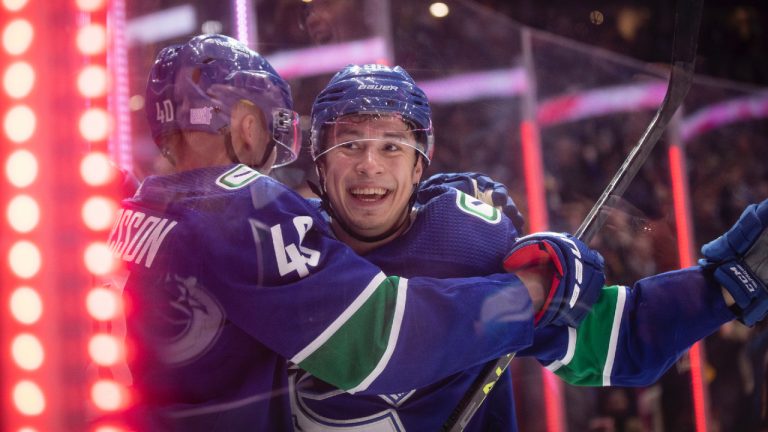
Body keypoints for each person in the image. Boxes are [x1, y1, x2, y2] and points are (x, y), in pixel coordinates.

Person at [111, 35, 603, 431]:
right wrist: (532, 291)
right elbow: (371, 341)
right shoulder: (246, 206)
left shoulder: (132, 208)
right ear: (244, 126)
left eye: (392, 147)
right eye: (269, 123)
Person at [291, 63, 768, 431]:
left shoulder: (470, 248)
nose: (369, 165)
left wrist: (727, 284)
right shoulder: (279, 248)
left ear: (420, 166)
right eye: (349, 146)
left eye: (392, 147)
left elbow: (617, 339)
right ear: (319, 160)